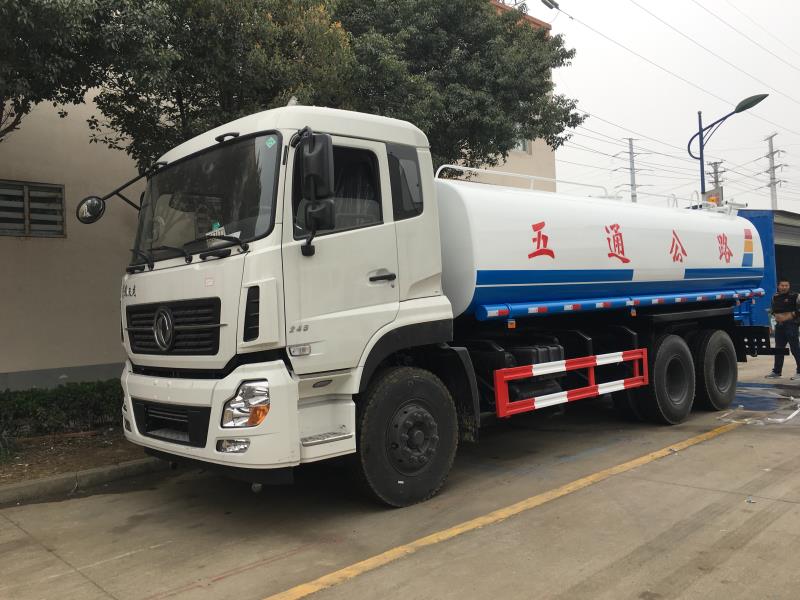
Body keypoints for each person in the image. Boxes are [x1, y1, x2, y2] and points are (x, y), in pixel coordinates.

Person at [766, 278, 800, 379]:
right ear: (778, 286)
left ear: (789, 286)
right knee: (778, 349)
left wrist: (791, 315)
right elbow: (773, 311)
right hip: (779, 326)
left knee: (795, 349)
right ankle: (776, 372)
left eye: (786, 285)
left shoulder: (795, 296)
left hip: (791, 326)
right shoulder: (774, 297)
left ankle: (799, 372)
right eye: (782, 285)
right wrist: (773, 320)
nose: (784, 287)